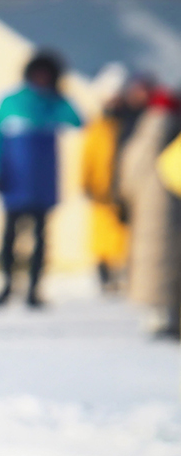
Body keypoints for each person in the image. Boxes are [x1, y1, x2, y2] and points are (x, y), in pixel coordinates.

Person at [0, 50, 84, 309]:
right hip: (15, 181)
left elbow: (78, 121)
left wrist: (61, 96)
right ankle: (7, 283)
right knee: (10, 235)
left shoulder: (54, 103)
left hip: (42, 182)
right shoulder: (11, 102)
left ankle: (34, 288)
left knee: (40, 237)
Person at [118, 84, 181, 339]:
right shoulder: (168, 134)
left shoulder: (145, 134)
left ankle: (161, 314)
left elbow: (129, 173)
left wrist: (125, 198)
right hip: (166, 211)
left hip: (150, 212)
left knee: (156, 265)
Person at [82, 74, 153, 294]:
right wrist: (86, 182)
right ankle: (104, 274)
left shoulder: (131, 123)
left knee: (125, 236)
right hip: (102, 189)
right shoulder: (99, 125)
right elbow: (88, 156)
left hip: (123, 187)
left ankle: (123, 274)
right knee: (102, 236)